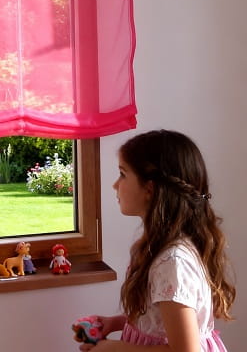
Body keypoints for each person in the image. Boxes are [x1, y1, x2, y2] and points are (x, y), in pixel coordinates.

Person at [78, 130, 235, 351]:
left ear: (150, 189)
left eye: (123, 174)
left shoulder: (172, 262)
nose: (115, 184)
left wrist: (115, 349)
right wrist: (116, 323)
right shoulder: (159, 249)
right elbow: (158, 321)